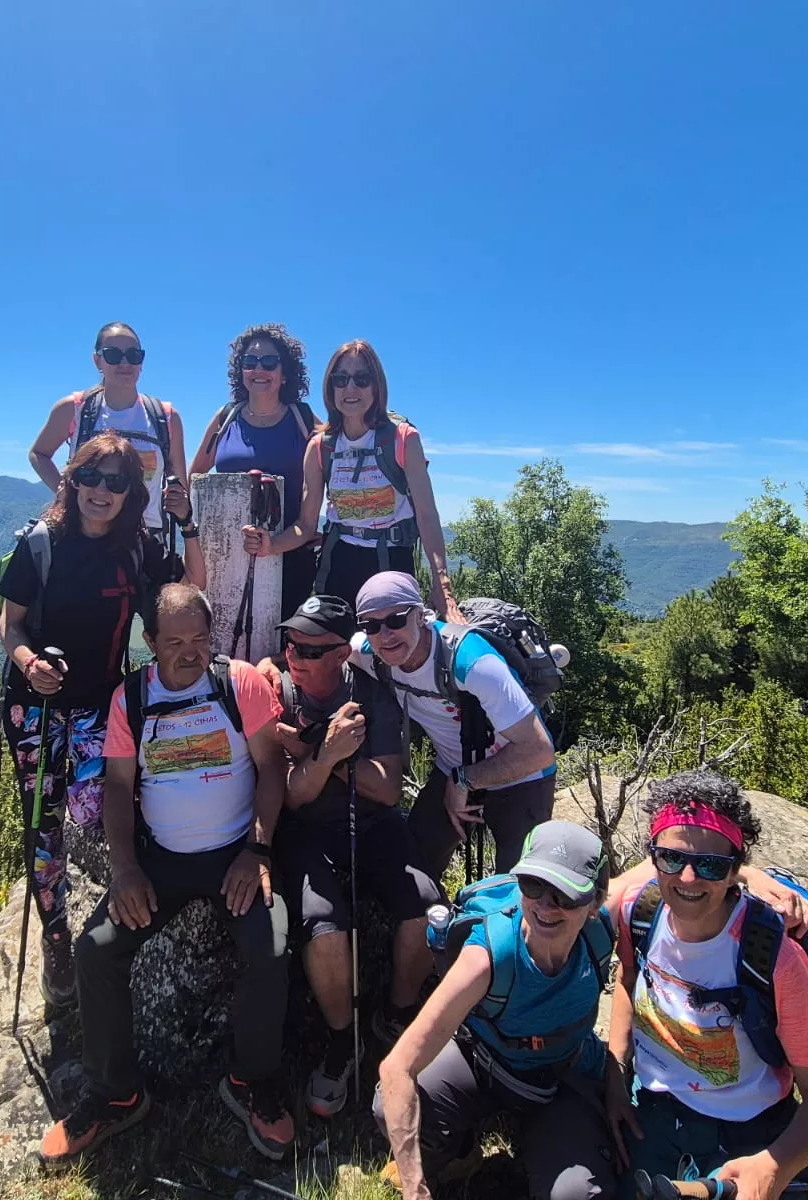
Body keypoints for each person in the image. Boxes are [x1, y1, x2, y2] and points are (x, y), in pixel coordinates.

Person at [39, 584, 294, 1163]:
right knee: (96, 951)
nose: (189, 652)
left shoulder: (240, 685)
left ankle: (253, 1081)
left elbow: (270, 769)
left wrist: (257, 851)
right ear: (149, 642)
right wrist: (125, 869)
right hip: (161, 860)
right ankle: (116, 1094)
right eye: (174, 641)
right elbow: (121, 786)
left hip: (234, 853)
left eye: (200, 639)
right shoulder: (131, 698)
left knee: (271, 945)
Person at [0, 431, 205, 1006]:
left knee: (100, 807)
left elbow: (191, 592)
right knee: (44, 829)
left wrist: (187, 525)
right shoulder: (40, 544)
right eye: (90, 476)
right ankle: (57, 940)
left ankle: (132, 895)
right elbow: (11, 626)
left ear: (129, 493)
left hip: (97, 707)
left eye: (116, 482)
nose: (101, 490)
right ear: (72, 480)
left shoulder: (134, 550)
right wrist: (29, 661)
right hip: (34, 706)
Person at [605, 771, 808, 1200]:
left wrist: (774, 1166)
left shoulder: (771, 956)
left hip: (751, 1124)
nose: (687, 878)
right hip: (654, 1108)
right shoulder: (639, 911)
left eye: (710, 865)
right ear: (653, 856)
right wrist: (615, 1074)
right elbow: (628, 981)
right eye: (671, 859)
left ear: (736, 870)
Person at [376, 820, 621, 1200]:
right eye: (532, 885)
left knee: (575, 1195)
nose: (544, 905)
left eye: (564, 895)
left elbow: (669, 872)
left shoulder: (600, 931)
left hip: (561, 1079)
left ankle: (547, 1148)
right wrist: (414, 1187)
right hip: (485, 1065)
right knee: (387, 1105)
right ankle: (460, 1154)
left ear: (594, 903)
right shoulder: (488, 957)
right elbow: (397, 1068)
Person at [269, 594, 443, 1117]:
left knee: (425, 907)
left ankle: (396, 1015)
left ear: (343, 652)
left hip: (373, 824)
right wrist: (329, 751)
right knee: (324, 928)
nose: (293, 655)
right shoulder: (277, 690)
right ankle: (341, 1041)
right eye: (290, 643)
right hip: (306, 832)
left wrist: (321, 752)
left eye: (309, 648)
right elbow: (294, 794)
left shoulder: (374, 697)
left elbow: (389, 790)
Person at [351, 571, 556, 882]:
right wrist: (271, 664)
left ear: (421, 616)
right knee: (414, 865)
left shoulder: (473, 663)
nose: (385, 635)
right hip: (454, 768)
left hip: (521, 779)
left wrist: (464, 781)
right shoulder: (369, 652)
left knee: (521, 887)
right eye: (371, 625)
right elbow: (320, 650)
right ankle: (439, 924)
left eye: (396, 620)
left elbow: (539, 751)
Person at [246, 339, 456, 617]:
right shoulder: (320, 446)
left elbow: (427, 516)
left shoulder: (403, 438)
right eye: (341, 379)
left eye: (362, 378)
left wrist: (443, 586)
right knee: (330, 651)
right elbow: (307, 525)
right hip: (337, 560)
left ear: (376, 385)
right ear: (330, 387)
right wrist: (272, 545)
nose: (350, 388)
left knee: (387, 648)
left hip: (390, 559)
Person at [190, 323, 318, 619]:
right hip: (225, 555)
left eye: (269, 361)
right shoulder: (226, 417)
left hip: (290, 553)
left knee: (279, 644)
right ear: (241, 371)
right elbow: (194, 477)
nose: (259, 369)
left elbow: (341, 448)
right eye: (250, 362)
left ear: (285, 372)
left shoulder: (304, 418)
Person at [26, 321, 191, 543]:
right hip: (85, 536)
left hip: (146, 541)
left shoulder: (166, 417)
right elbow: (39, 453)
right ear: (97, 360)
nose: (125, 363)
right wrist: (65, 494)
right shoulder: (75, 409)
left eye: (133, 355)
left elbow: (180, 485)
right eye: (114, 355)